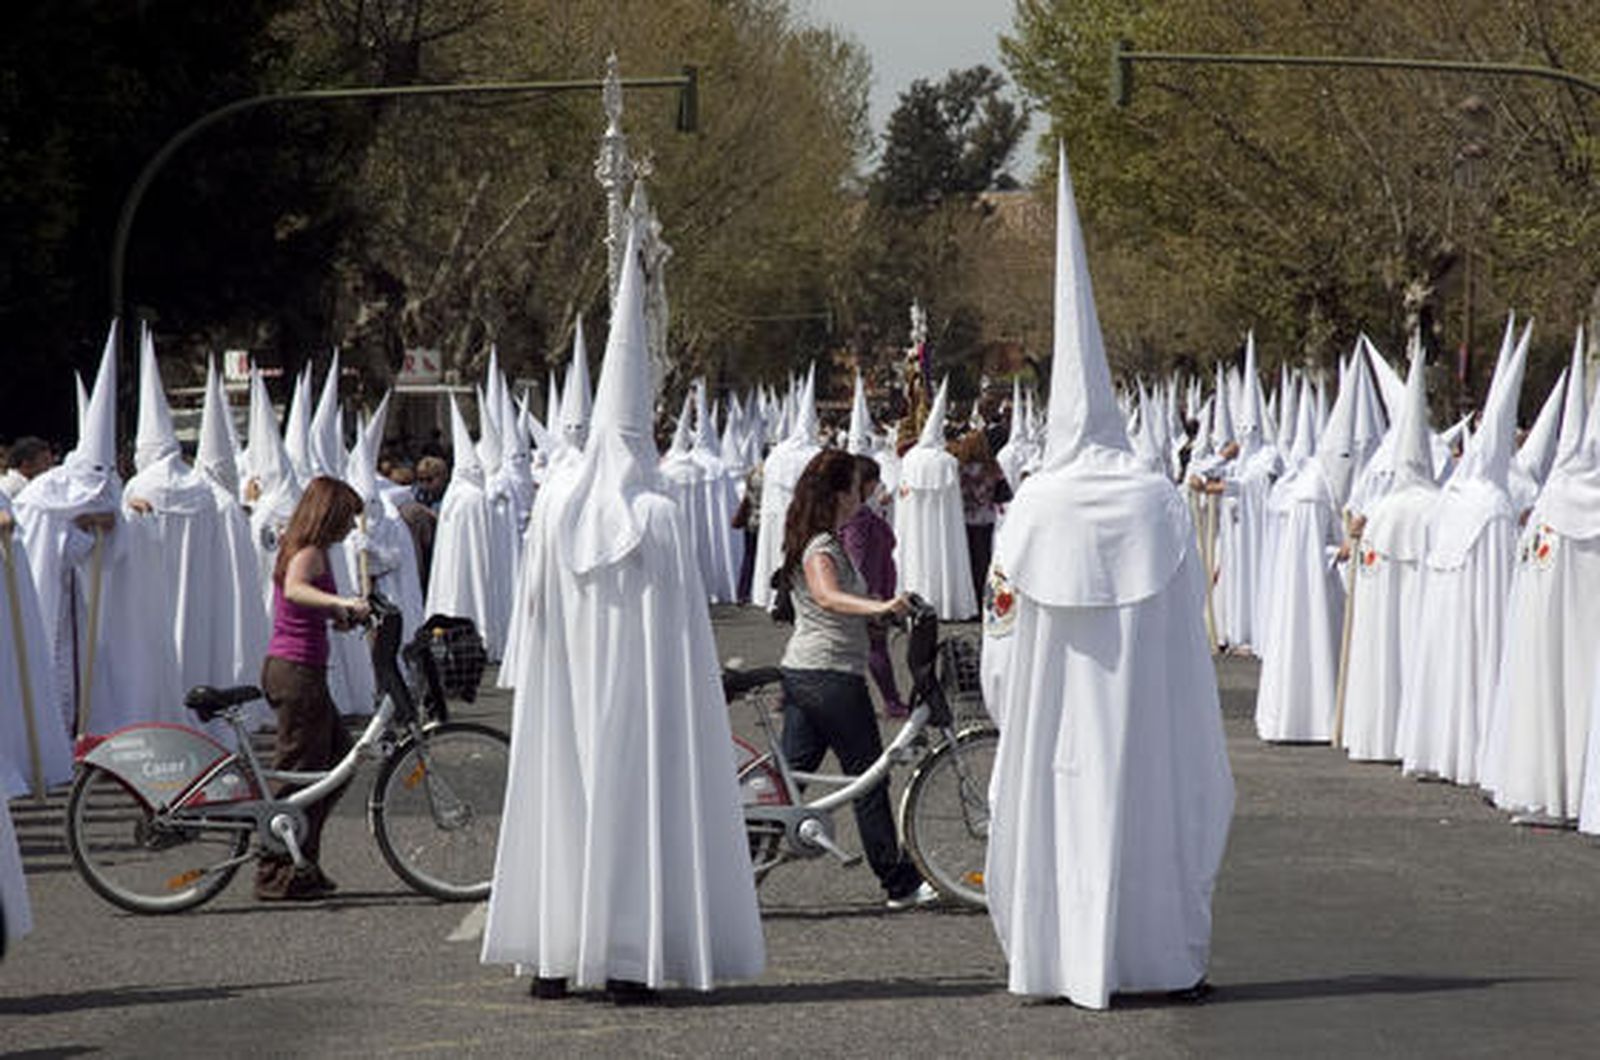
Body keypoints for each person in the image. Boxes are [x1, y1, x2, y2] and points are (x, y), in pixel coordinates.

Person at [780, 448, 932, 908]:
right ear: (841, 492)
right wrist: (881, 606)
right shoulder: (822, 546)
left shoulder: (818, 537)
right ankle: (898, 881)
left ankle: (739, 862)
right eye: (856, 488)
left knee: (788, 783)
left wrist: (880, 616)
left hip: (809, 671)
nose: (862, 497)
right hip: (828, 674)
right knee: (868, 777)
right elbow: (827, 596)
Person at [256, 476, 370, 901]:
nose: (349, 528)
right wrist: (341, 605)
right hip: (295, 670)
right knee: (300, 772)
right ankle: (275, 871)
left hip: (299, 667)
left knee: (336, 763)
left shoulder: (307, 548)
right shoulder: (308, 552)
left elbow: (305, 604)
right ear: (329, 515)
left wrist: (342, 617)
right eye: (346, 518)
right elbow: (296, 590)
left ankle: (302, 861)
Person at [839, 455, 906, 719]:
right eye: (874, 480)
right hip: (870, 591)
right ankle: (891, 701)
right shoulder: (858, 518)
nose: (878, 484)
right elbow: (856, 558)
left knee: (851, 646)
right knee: (874, 647)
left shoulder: (861, 513)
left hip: (873, 587)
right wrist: (868, 594)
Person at [954, 428, 1010, 606]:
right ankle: (984, 598)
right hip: (987, 520)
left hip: (965, 520)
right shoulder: (993, 467)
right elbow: (1005, 494)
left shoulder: (958, 469)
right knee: (985, 561)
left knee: (968, 561)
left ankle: (969, 599)